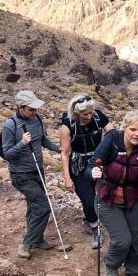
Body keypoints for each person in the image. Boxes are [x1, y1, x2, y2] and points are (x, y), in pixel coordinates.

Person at [86, 111, 138, 276]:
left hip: (134, 198)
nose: (137, 134)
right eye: (133, 129)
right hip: (107, 197)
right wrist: (93, 171)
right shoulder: (112, 139)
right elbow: (93, 163)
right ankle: (111, 264)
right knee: (122, 239)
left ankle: (133, 273)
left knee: (134, 239)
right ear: (125, 127)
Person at [0, 90, 62, 258]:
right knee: (43, 207)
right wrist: (22, 143)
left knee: (34, 206)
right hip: (20, 174)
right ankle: (27, 242)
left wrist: (57, 149)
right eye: (31, 109)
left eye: (36, 109)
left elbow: (42, 140)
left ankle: (38, 239)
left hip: (37, 170)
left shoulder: (38, 120)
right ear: (20, 108)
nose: (35, 113)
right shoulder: (10, 125)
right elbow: (7, 154)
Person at [59, 93, 113, 248]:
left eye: (90, 112)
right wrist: (67, 178)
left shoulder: (98, 117)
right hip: (78, 166)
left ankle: (88, 218)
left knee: (98, 197)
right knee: (88, 201)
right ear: (76, 113)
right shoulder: (68, 125)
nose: (89, 116)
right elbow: (64, 153)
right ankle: (95, 229)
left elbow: (113, 134)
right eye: (85, 114)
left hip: (97, 162)